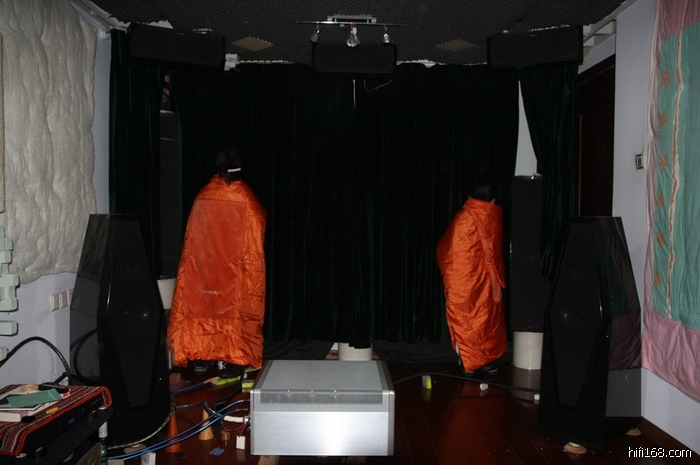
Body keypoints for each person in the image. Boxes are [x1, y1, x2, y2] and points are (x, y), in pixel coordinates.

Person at [167, 147, 267, 379]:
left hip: (204, 270)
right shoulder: (246, 198)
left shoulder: (204, 195)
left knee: (203, 307)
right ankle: (235, 358)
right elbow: (254, 240)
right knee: (235, 311)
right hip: (234, 273)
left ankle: (200, 356)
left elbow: (192, 237)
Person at [436, 181, 507, 376]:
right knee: (487, 320)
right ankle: (485, 361)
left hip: (464, 279)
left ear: (469, 198)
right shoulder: (494, 216)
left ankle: (468, 361)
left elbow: (447, 250)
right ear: (493, 201)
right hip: (489, 279)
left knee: (466, 318)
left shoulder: (464, 217)